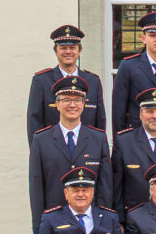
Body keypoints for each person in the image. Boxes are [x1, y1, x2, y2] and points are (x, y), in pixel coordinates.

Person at [29, 76, 111, 217]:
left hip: (91, 223)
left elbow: (105, 186)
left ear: (84, 104)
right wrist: (39, 226)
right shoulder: (41, 140)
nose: (72, 105)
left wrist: (104, 222)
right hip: (54, 224)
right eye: (66, 100)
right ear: (57, 104)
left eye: (77, 100)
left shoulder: (98, 139)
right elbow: (36, 188)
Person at [30, 24, 105, 138]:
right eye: (63, 48)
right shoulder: (41, 81)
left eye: (72, 47)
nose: (68, 51)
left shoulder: (93, 81)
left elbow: (99, 121)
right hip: (53, 150)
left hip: (87, 149)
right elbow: (34, 122)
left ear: (79, 51)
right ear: (56, 51)